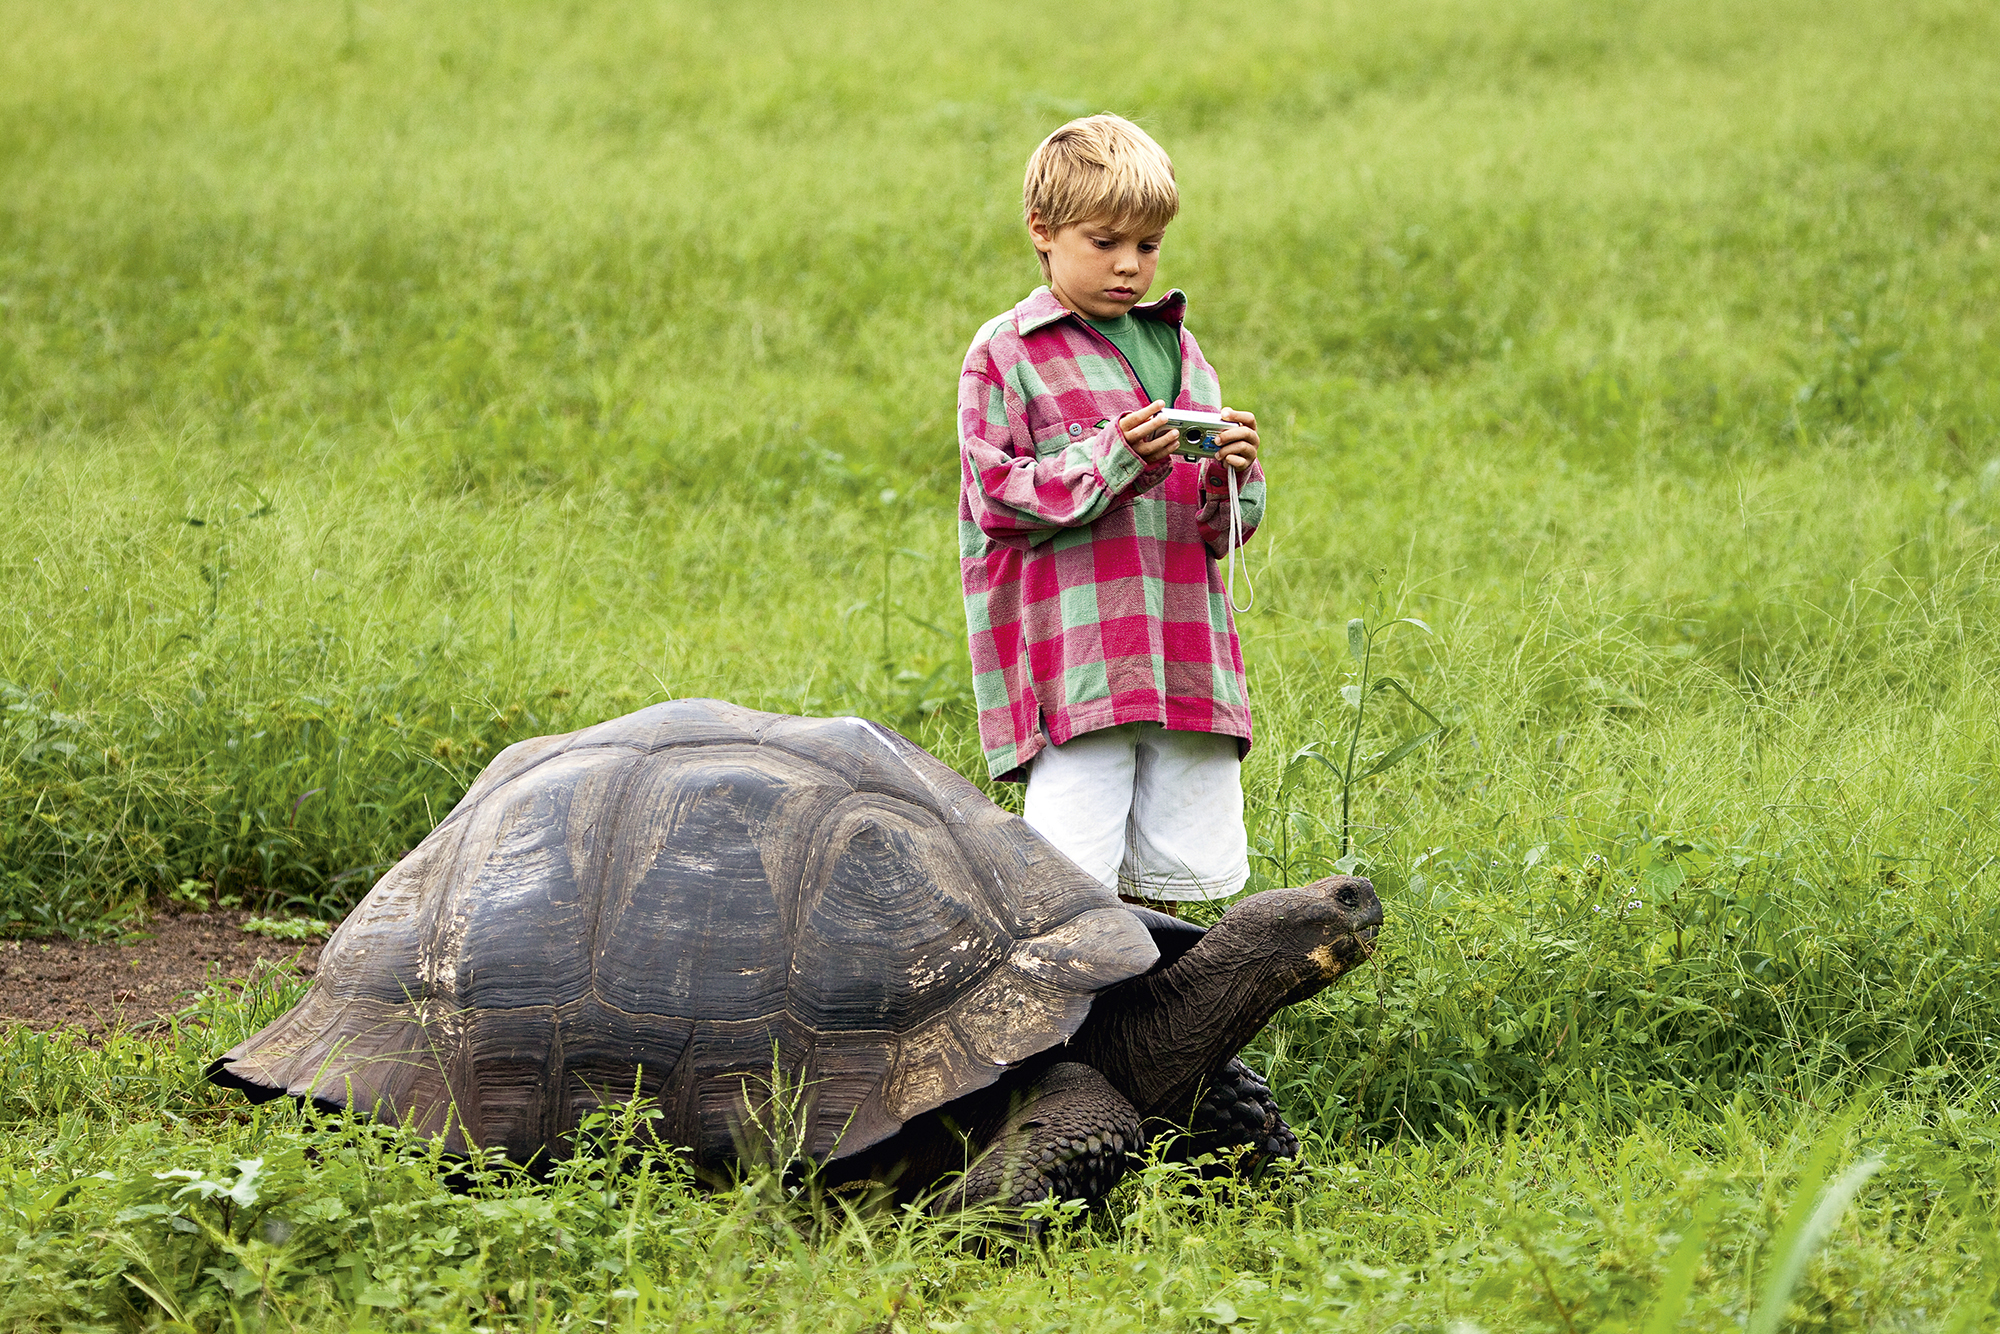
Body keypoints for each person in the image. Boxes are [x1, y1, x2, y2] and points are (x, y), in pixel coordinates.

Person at [956, 113, 1264, 915]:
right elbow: (998, 496)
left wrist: (1232, 476)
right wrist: (1119, 456)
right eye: (1105, 241)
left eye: (1149, 244)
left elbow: (1219, 531)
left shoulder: (1183, 352)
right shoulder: (1008, 351)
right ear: (1043, 231)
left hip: (1186, 653)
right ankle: (1059, 1039)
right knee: (1067, 885)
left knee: (1182, 881)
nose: (1130, 265)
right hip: (1080, 658)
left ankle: (1165, 1031)